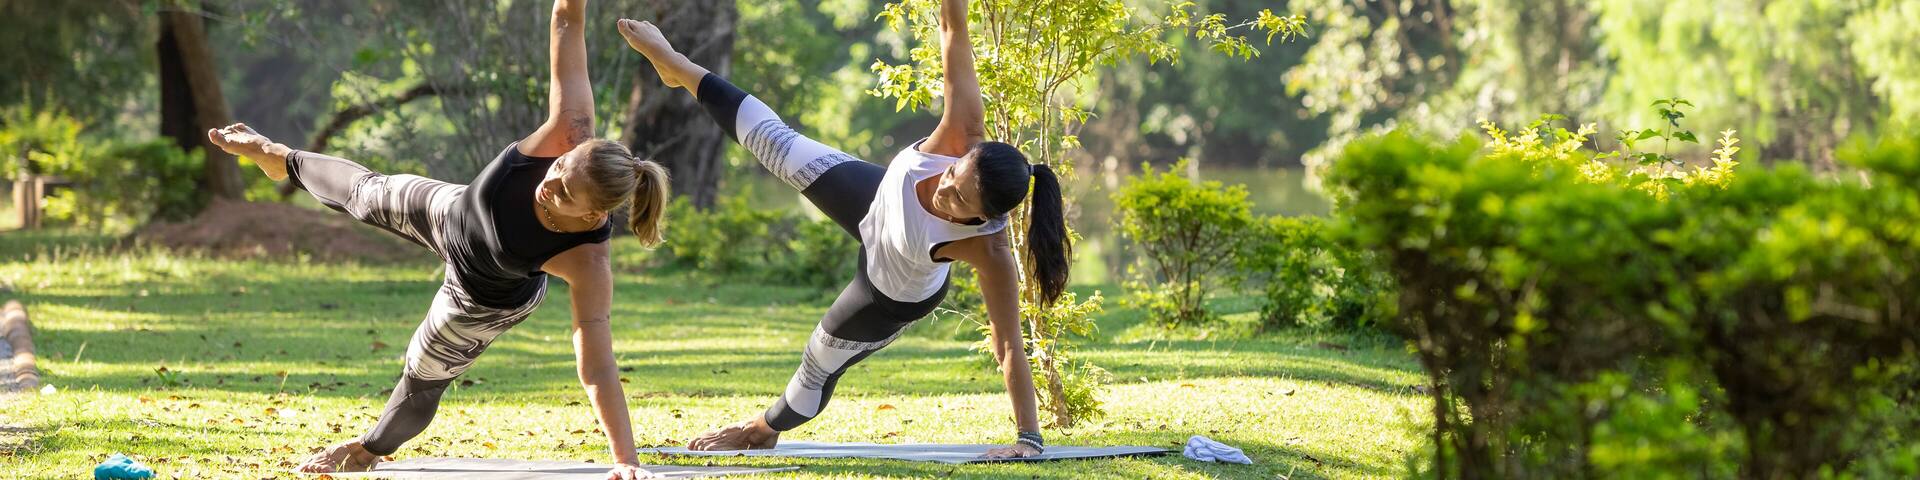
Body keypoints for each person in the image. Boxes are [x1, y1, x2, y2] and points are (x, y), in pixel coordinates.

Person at [206, 1, 665, 478]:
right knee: (366, 192)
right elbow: (567, 19)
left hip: (485, 296)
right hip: (455, 211)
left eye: (563, 192)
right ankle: (275, 155)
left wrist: (625, 461)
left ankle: (368, 448)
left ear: (591, 213)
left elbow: (597, 365)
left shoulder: (587, 261)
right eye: (556, 168)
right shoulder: (569, 128)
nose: (547, 183)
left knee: (422, 374)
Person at [615, 0, 1069, 459]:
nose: (942, 192)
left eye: (957, 202)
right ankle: (677, 66)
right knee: (777, 143)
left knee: (818, 363)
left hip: (891, 288)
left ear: (980, 220)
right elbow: (953, 25)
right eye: (950, 176)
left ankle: (761, 428)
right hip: (875, 201)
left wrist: (1027, 440)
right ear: (965, 155)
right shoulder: (963, 130)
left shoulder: (988, 249)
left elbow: (1008, 343)